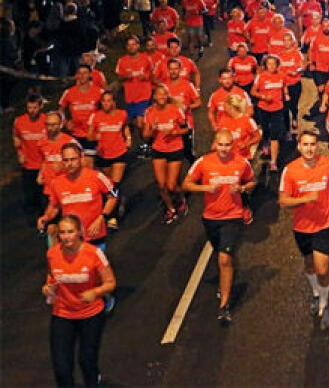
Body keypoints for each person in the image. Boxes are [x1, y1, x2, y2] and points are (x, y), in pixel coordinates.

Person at [183, 129, 256, 326]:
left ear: (232, 145)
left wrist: (241, 189)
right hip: (211, 218)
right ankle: (225, 281)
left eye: (228, 145)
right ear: (215, 144)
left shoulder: (241, 162)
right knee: (219, 253)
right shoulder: (204, 162)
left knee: (224, 258)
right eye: (221, 145)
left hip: (233, 217)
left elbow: (251, 181)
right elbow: (186, 184)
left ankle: (224, 306)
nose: (224, 149)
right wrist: (204, 188)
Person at [278, 129, 329, 328]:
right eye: (305, 145)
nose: (309, 148)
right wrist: (306, 198)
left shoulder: (327, 164)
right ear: (299, 147)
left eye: (312, 144)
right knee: (309, 264)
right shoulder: (290, 170)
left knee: (323, 268)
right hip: (302, 227)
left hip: (325, 224)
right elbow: (283, 202)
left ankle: (325, 305)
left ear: (318, 146)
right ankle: (316, 293)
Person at [43, 214, 116, 388]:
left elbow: (111, 282)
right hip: (62, 313)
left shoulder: (94, 254)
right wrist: (47, 288)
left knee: (86, 362)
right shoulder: (52, 254)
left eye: (70, 232)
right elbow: (52, 277)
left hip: (90, 314)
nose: (67, 236)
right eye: (63, 232)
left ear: (79, 232)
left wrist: (95, 291)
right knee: (61, 367)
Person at [38, 141, 118, 251]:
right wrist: (46, 217)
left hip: (94, 236)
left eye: (73, 159)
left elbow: (113, 196)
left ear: (81, 158)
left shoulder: (97, 177)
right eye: (66, 160)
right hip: (71, 240)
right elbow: (54, 205)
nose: (70, 163)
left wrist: (102, 218)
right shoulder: (56, 182)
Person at [142, 85, 189, 224]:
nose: (161, 97)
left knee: (171, 185)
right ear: (154, 97)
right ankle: (171, 209)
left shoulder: (176, 110)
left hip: (175, 149)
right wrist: (153, 130)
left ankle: (181, 197)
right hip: (158, 150)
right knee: (161, 185)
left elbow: (186, 129)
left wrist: (174, 132)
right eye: (159, 94)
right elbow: (145, 136)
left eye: (164, 94)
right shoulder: (150, 112)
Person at [86, 91, 132, 230]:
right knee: (108, 186)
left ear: (113, 102)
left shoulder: (122, 114)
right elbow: (89, 136)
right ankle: (118, 201)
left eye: (108, 100)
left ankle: (113, 216)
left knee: (115, 185)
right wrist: (96, 137)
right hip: (104, 155)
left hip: (119, 153)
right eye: (103, 101)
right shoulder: (95, 116)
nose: (106, 103)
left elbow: (125, 128)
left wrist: (128, 138)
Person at [251, 54, 288, 172]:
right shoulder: (260, 76)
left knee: (275, 136)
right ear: (265, 65)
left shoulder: (281, 76)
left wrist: (286, 94)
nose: (271, 66)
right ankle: (265, 142)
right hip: (264, 108)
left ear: (277, 65)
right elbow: (253, 91)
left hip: (278, 109)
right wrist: (263, 96)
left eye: (274, 64)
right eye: (269, 64)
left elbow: (284, 86)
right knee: (266, 129)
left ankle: (273, 162)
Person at [14, 93, 47, 218]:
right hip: (28, 166)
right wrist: (20, 153)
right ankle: (35, 219)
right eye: (29, 108)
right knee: (30, 196)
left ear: (40, 106)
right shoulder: (19, 121)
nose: (31, 111)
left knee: (44, 196)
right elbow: (16, 136)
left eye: (34, 108)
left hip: (44, 165)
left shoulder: (46, 121)